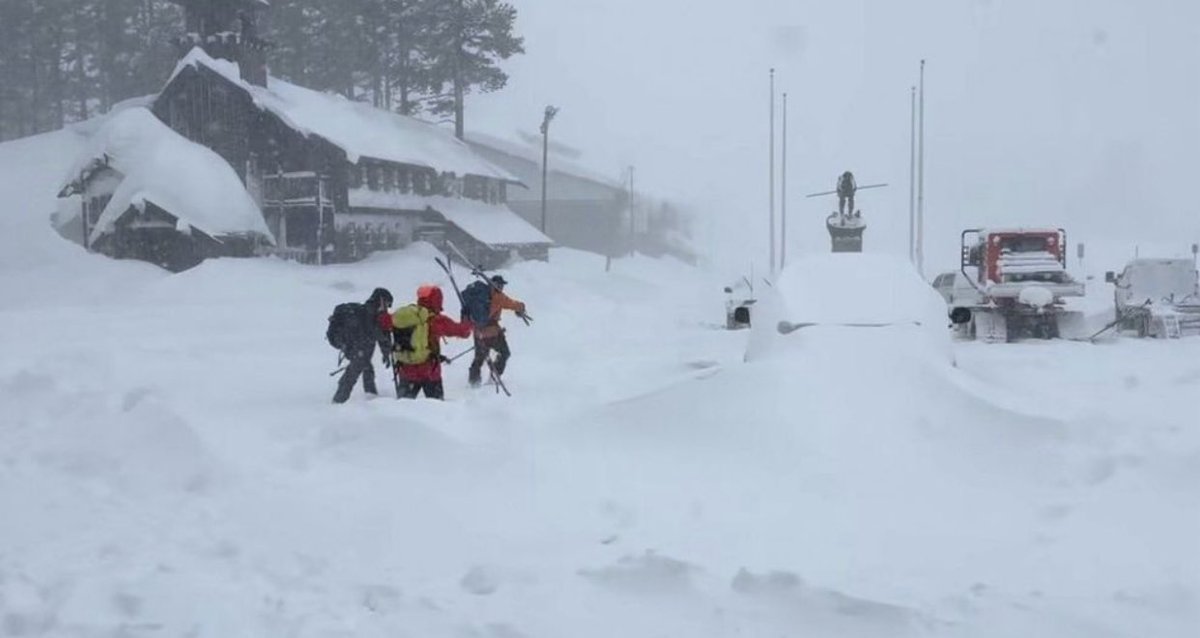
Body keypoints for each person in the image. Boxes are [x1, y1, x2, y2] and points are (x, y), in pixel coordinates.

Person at [392, 284, 473, 400]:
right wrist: (466, 318)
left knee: (402, 409)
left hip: (406, 370)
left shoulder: (409, 317)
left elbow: (386, 324)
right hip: (430, 372)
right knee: (437, 410)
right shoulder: (437, 320)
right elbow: (464, 332)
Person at [331, 287, 394, 404]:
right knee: (355, 371)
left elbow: (377, 333)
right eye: (387, 303)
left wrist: (386, 351)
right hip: (358, 347)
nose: (387, 307)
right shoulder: (371, 311)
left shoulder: (368, 311)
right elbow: (376, 332)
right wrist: (386, 347)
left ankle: (370, 397)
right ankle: (339, 401)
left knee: (366, 367)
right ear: (381, 300)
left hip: (356, 346)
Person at [468, 275, 528, 387]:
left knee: (479, 358)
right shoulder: (498, 296)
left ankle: (473, 383)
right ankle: (494, 377)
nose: (502, 287)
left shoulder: (480, 296)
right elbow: (512, 304)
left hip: (478, 332)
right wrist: (521, 307)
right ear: (496, 284)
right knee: (504, 353)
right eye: (500, 285)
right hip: (493, 333)